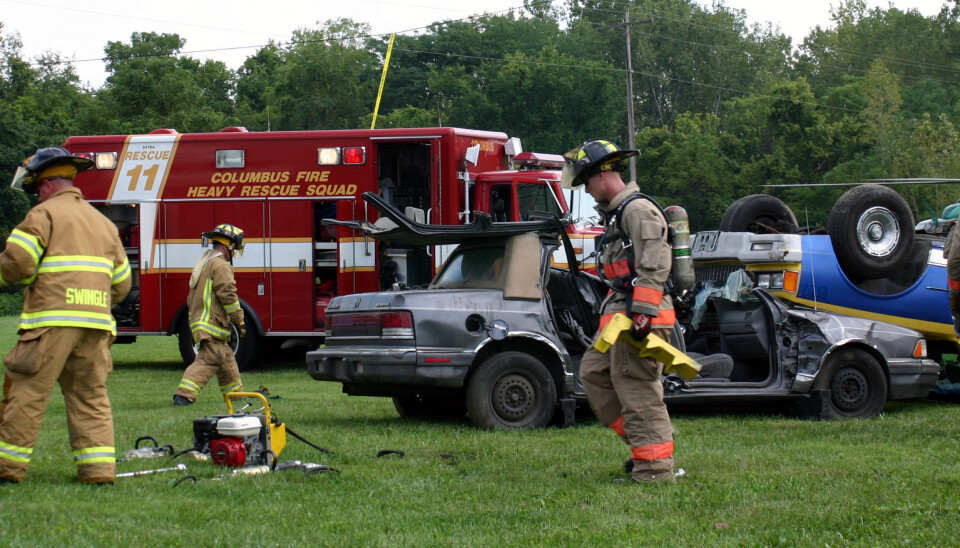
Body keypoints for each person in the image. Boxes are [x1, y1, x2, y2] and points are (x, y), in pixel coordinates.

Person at [0, 147, 132, 484]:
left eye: (36, 189)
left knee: (26, 394)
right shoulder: (104, 224)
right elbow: (122, 283)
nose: (37, 196)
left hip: (50, 324)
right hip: (96, 326)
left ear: (46, 185)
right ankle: (98, 471)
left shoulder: (43, 215)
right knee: (90, 397)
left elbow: (18, 263)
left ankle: (7, 469)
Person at [562, 139, 678, 483]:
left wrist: (642, 312)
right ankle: (648, 444)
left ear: (601, 175)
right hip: (620, 315)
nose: (587, 191)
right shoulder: (618, 213)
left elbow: (655, 263)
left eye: (586, 182)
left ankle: (654, 468)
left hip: (640, 313)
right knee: (594, 373)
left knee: (636, 387)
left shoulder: (637, 210)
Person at [172, 224, 246, 406]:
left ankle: (236, 397)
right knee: (209, 359)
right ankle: (184, 396)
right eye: (233, 249)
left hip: (203, 321)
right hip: (211, 323)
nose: (233, 253)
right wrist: (239, 320)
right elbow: (228, 295)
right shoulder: (220, 265)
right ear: (227, 247)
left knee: (226, 360)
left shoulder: (205, 263)